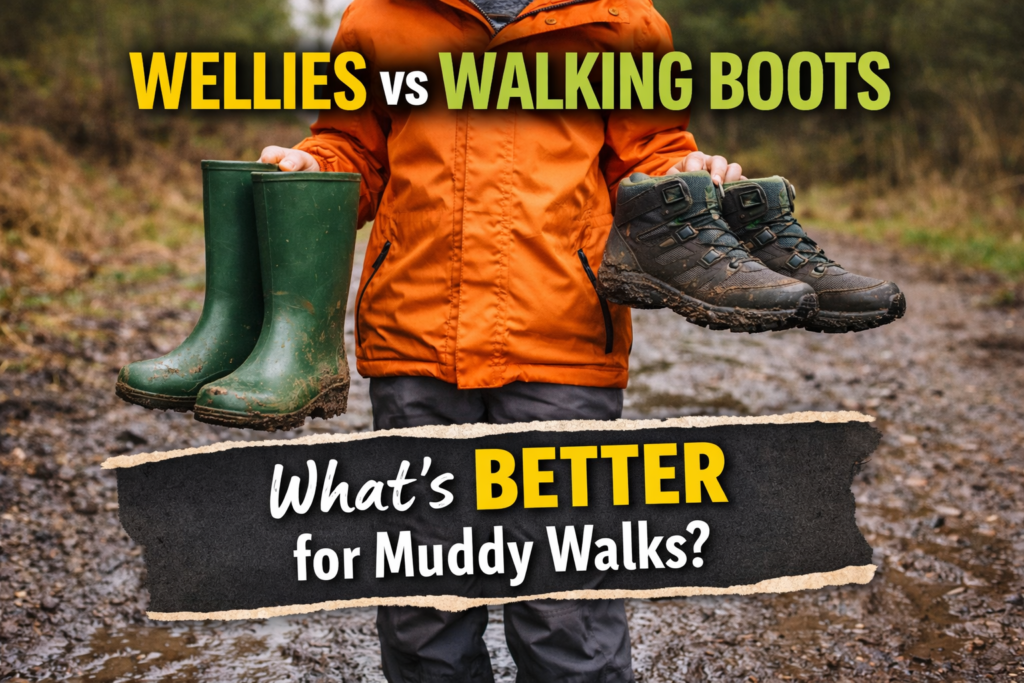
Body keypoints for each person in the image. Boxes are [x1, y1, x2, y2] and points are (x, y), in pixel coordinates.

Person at [261, 0, 741, 680]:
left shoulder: (624, 24)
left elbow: (651, 154)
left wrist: (686, 174)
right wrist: (316, 166)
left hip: (564, 344)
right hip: (415, 340)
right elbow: (355, 148)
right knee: (423, 605)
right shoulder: (376, 20)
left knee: (566, 608)